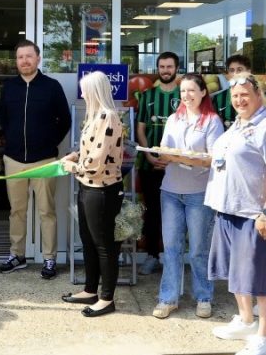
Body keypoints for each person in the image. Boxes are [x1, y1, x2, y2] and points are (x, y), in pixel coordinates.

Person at [205, 75, 266, 355]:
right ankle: (245, 320)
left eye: (244, 95)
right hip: (229, 208)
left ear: (258, 94)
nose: (239, 100)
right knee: (237, 271)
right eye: (234, 97)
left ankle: (265, 339)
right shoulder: (239, 125)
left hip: (254, 213)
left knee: (260, 277)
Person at [0, 40, 71, 279]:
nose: (24, 61)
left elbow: (65, 121)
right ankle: (17, 255)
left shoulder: (51, 86)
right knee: (16, 210)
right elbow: (3, 119)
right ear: (16, 61)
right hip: (14, 159)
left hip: (44, 160)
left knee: (46, 211)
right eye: (20, 57)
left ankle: (50, 259)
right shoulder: (9, 87)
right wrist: (11, 143)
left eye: (29, 56)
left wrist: (49, 145)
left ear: (38, 58)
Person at [151, 74, 223, 320]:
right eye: (183, 91)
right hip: (170, 190)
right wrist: (169, 155)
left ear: (203, 92)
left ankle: (204, 297)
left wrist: (181, 158)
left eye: (192, 90)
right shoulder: (174, 119)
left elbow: (213, 158)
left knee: (198, 250)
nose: (186, 95)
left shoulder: (212, 121)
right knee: (171, 247)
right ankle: (168, 298)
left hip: (199, 193)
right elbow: (164, 150)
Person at [60, 71, 126, 318]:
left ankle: (106, 298)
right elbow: (93, 148)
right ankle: (90, 290)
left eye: (85, 90)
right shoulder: (95, 116)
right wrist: (75, 155)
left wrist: (73, 167)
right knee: (88, 241)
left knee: (104, 245)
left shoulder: (108, 117)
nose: (83, 94)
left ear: (95, 91)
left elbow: (97, 161)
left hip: (103, 189)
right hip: (88, 186)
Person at [135, 51, 181, 275]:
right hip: (150, 165)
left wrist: (172, 159)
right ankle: (152, 255)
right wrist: (149, 155)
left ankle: (175, 259)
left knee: (177, 213)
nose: (165, 70)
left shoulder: (185, 95)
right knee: (153, 212)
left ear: (176, 69)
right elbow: (140, 128)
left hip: (178, 167)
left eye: (169, 67)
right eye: (162, 67)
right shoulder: (147, 95)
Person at [210, 54, 251, 129]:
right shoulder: (218, 98)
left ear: (248, 71)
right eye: (232, 70)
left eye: (239, 70)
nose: (235, 73)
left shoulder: (257, 96)